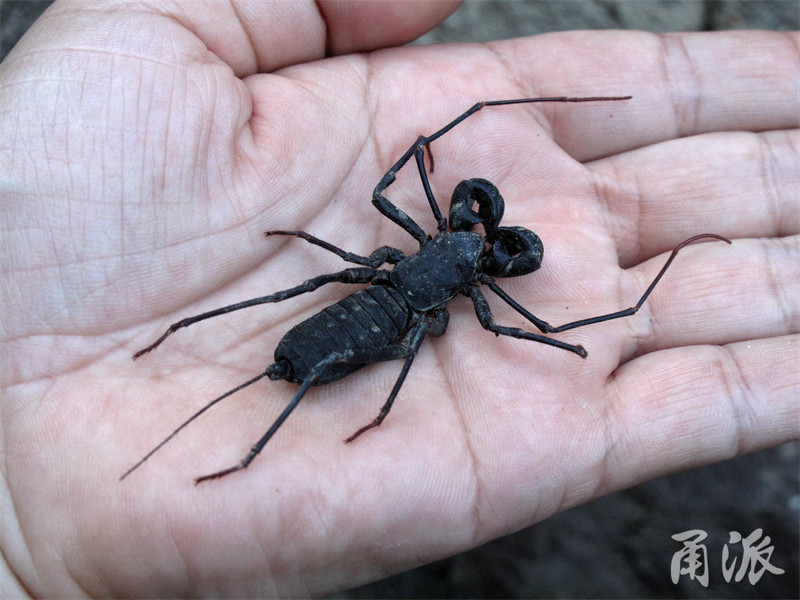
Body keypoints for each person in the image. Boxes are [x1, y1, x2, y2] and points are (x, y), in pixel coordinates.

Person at [0, 1, 796, 597]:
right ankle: (214, 384)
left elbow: (537, 311)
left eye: (480, 238)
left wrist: (571, 329)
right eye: (478, 233)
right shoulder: (459, 274)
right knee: (325, 306)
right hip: (388, 304)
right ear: (464, 237)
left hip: (393, 301)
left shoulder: (442, 259)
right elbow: (422, 204)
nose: (482, 235)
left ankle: (226, 390)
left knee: (336, 309)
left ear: (459, 237)